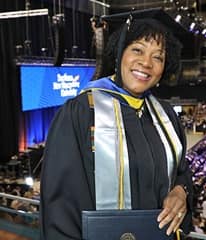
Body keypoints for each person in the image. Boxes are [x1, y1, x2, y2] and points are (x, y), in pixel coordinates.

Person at [40, 8, 193, 240]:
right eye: (137, 50)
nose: (146, 63)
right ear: (120, 52)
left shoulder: (166, 116)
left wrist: (181, 191)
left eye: (158, 57)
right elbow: (60, 204)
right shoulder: (82, 112)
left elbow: (181, 172)